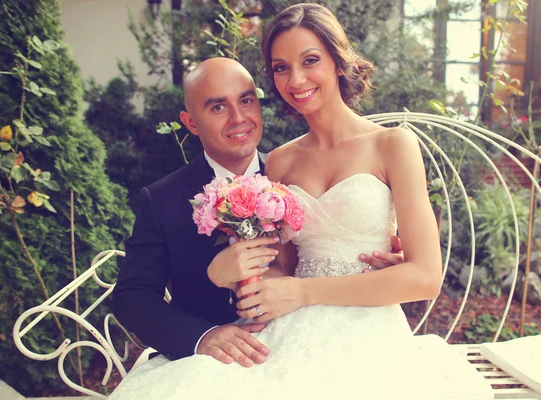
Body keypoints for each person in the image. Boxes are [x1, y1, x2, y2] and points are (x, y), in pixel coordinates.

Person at [109, 4, 494, 400]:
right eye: (280, 67)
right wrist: (228, 276)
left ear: (338, 62)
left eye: (310, 60)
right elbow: (282, 268)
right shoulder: (280, 162)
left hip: (366, 331)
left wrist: (379, 271)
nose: (295, 79)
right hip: (285, 330)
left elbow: (426, 276)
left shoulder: (393, 144)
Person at [112, 56, 403, 367]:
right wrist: (201, 336)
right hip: (216, 363)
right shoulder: (162, 200)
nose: (238, 118)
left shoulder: (293, 173)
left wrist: (385, 260)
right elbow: (132, 297)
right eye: (218, 107)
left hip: (313, 344)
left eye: (246, 100)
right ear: (191, 122)